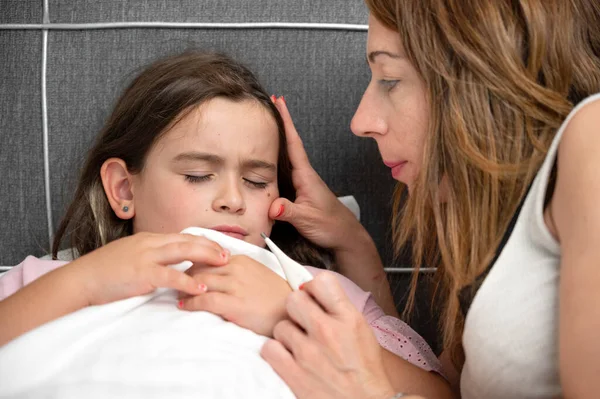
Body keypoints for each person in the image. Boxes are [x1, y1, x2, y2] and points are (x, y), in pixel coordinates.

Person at [0, 51, 448, 395]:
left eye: (257, 181)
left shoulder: (314, 291)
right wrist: (84, 282)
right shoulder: (53, 278)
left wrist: (288, 312)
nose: (233, 200)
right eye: (198, 175)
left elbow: (438, 393)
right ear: (123, 189)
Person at [257, 0, 600, 398]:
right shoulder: (489, 226)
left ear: (483, 73)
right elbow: (441, 390)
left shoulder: (590, 140)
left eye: (389, 79)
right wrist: (353, 242)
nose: (361, 122)